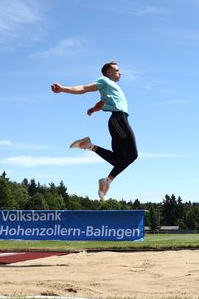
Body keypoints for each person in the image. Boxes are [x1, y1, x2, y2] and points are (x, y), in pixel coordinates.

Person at [51, 61, 138, 201]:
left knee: (119, 160)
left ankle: (88, 145)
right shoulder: (104, 80)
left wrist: (93, 109)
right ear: (108, 72)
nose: (120, 72)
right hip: (119, 119)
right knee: (132, 155)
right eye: (116, 70)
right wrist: (63, 89)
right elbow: (84, 88)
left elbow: (102, 103)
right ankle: (106, 182)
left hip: (117, 121)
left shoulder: (110, 89)